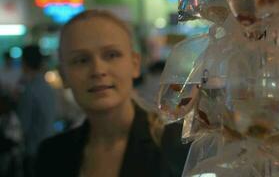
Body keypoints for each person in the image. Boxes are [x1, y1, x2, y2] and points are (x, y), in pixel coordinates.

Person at [35, 10, 187, 177]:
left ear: (134, 64)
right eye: (81, 60)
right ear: (63, 75)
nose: (98, 70)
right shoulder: (52, 155)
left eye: (111, 55)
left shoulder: (177, 146)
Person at [16, 45, 58, 176]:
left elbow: (24, 125)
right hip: (50, 148)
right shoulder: (48, 88)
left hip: (34, 150)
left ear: (24, 63)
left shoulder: (30, 90)